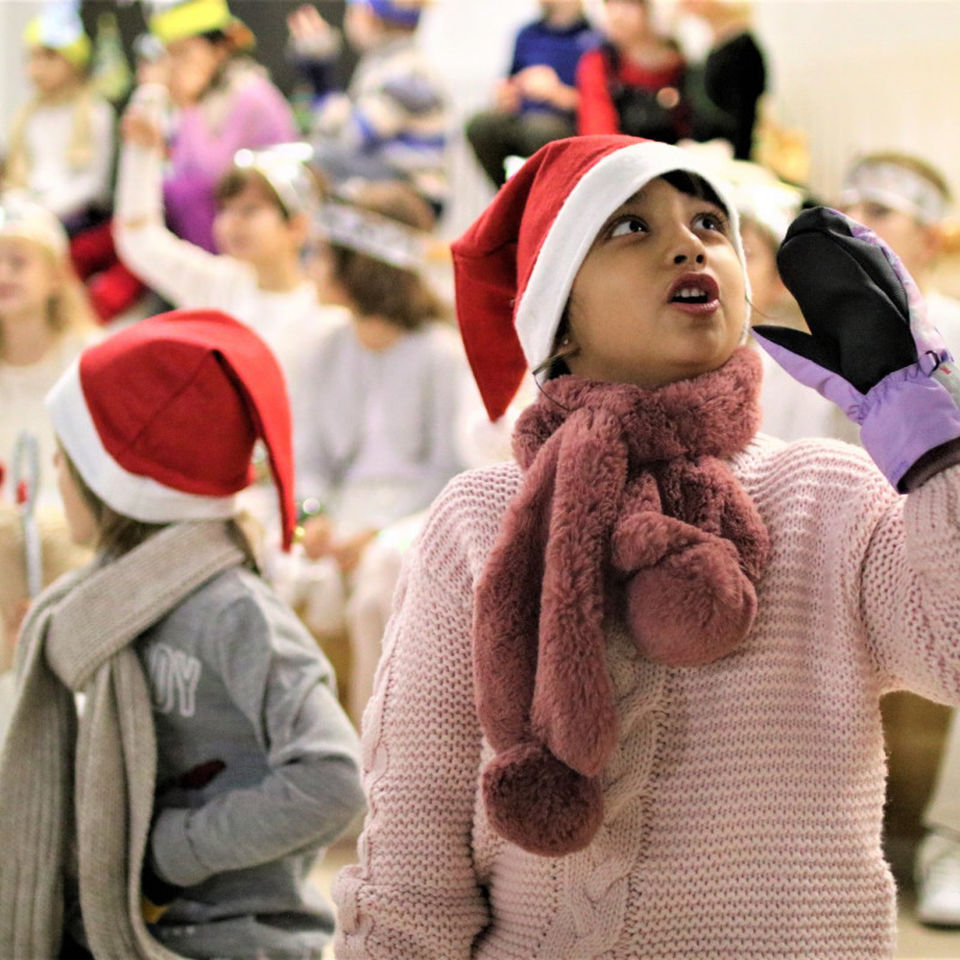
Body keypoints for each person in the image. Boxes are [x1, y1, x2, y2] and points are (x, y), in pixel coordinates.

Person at [331, 134, 960, 958]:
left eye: (709, 222)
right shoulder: (482, 518)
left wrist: (930, 436)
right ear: (556, 319)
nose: (687, 242)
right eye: (629, 226)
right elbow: (417, 824)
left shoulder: (828, 494)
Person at [0, 309, 365, 960]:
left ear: (119, 481)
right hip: (112, 923)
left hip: (238, 939)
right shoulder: (102, 600)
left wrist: (170, 854)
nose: (55, 467)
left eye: (68, 456)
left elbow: (335, 781)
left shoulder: (233, 612)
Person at [837, 150, 960, 927]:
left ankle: (949, 841)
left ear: (931, 235)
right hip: (836, 532)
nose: (861, 227)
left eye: (881, 213)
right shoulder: (806, 320)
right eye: (851, 210)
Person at [293, 180, 468, 721]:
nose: (312, 265)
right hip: (343, 512)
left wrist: (371, 529)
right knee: (281, 574)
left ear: (360, 262)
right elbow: (311, 460)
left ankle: (373, 755)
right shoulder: (320, 348)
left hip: (416, 514)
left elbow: (449, 469)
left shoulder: (441, 355)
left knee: (377, 584)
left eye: (323, 253)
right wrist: (314, 516)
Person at [114, 97, 346, 472]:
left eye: (250, 210)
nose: (231, 224)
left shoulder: (329, 311)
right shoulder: (219, 284)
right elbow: (139, 241)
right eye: (225, 209)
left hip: (294, 486)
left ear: (297, 226)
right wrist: (140, 157)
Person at [146, 0, 298, 252]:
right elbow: (179, 168)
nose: (173, 66)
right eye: (168, 54)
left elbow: (214, 174)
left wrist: (188, 107)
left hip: (267, 222)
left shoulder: (249, 93)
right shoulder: (204, 97)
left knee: (188, 194)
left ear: (219, 49)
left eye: (183, 52)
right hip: (227, 220)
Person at [294, 0, 450, 216]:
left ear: (369, 15)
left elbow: (351, 137)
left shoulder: (407, 72)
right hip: (394, 178)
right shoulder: (384, 63)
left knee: (319, 160)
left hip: (416, 193)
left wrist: (321, 73)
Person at [465, 1, 601, 188]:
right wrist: (506, 94)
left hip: (566, 122)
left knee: (539, 130)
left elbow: (601, 103)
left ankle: (547, 197)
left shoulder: (595, 38)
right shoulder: (527, 34)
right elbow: (510, 80)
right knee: (482, 124)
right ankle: (508, 196)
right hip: (523, 115)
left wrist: (556, 93)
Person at [576, 0, 690, 143]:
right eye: (608, 4)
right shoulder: (599, 62)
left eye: (629, 4)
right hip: (620, 158)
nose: (616, 15)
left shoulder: (685, 63)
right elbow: (597, 134)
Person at [678, 0, 766, 160]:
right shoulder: (712, 40)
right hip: (709, 152)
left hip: (727, 160)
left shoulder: (741, 47)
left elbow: (743, 119)